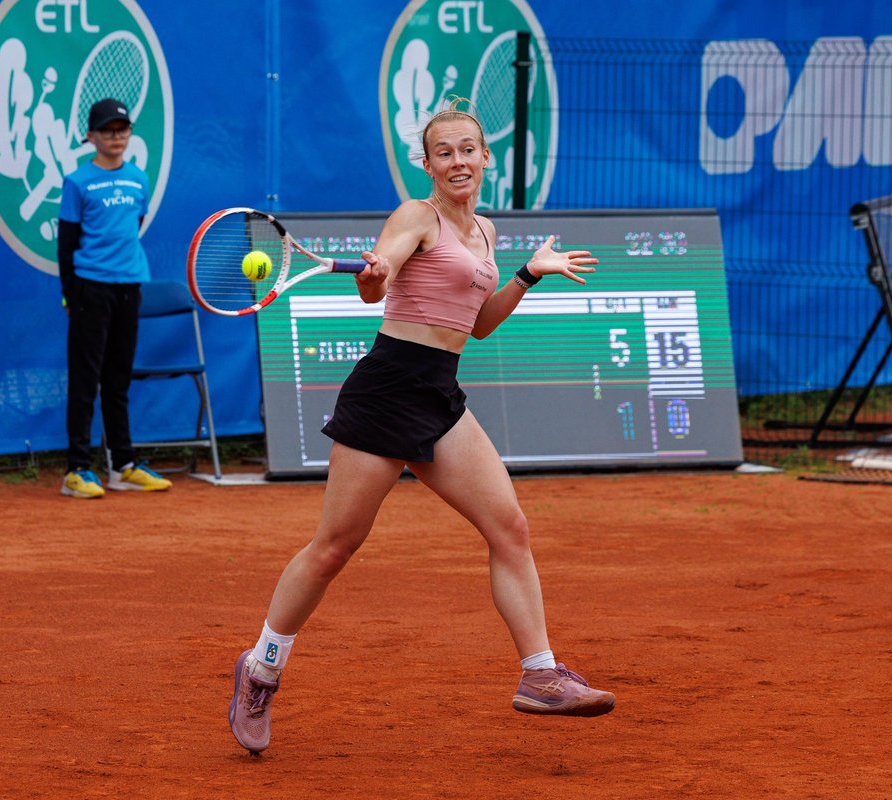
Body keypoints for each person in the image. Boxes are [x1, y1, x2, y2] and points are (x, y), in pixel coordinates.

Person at [228, 100, 613, 755]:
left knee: (510, 528)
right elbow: (379, 279)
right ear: (428, 164)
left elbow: (478, 324)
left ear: (485, 157)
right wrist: (376, 274)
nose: (458, 161)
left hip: (440, 393)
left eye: (467, 150)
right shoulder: (416, 216)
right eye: (444, 152)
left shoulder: (485, 231)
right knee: (334, 547)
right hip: (387, 391)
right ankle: (262, 668)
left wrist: (527, 273)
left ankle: (540, 675)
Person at [56, 98, 172, 498]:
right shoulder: (77, 182)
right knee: (85, 381)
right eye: (107, 130)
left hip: (129, 286)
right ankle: (76, 469)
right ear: (91, 136)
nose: (116, 136)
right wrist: (70, 294)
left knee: (118, 380)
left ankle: (122, 466)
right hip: (90, 288)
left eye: (122, 129)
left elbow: (132, 228)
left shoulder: (138, 179)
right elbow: (67, 243)